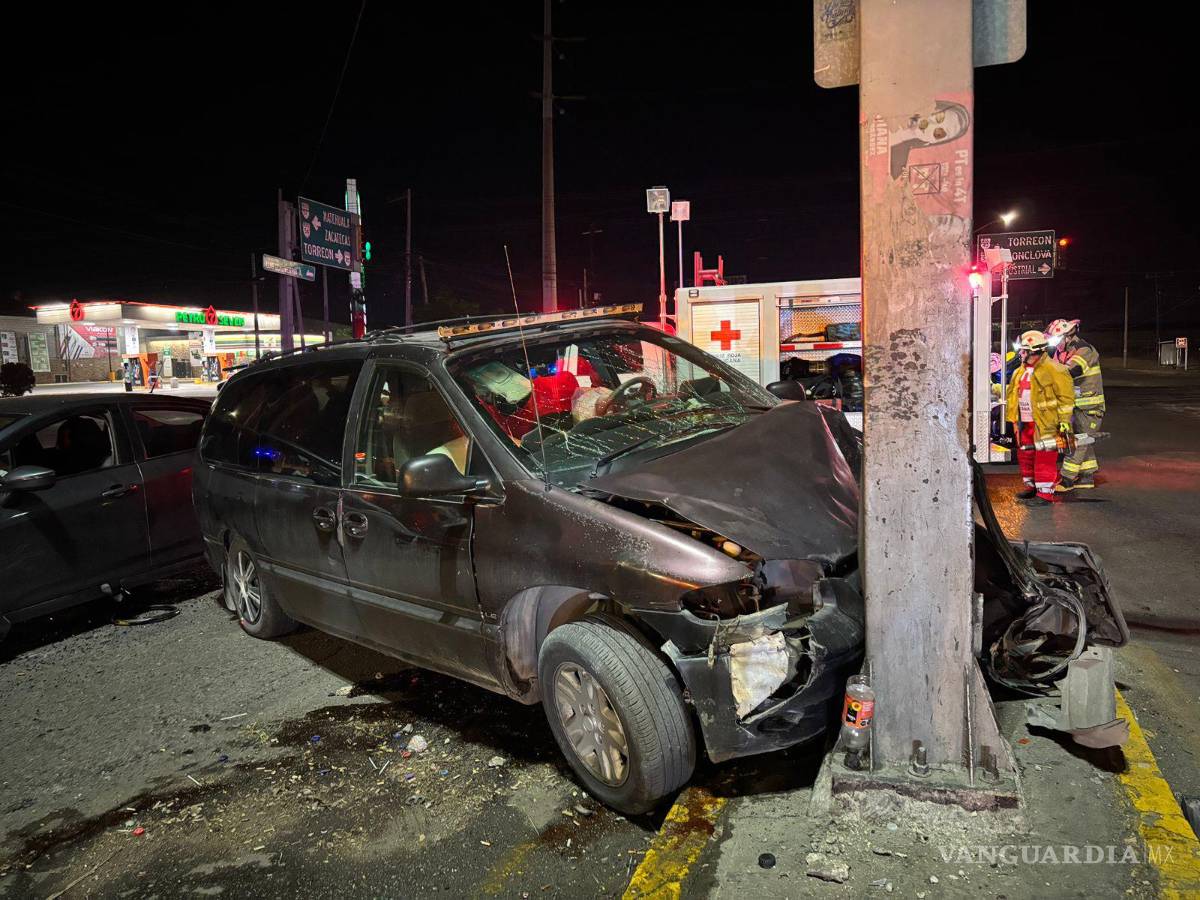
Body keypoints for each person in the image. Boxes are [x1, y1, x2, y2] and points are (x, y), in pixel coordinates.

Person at [1006, 330, 1076, 505]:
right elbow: (1012, 395)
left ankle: (1045, 494)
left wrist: (1065, 423)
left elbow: (1066, 399)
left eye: (1023, 351)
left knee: (1044, 457)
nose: (1020, 354)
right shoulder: (1019, 371)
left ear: (1034, 352)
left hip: (1046, 423)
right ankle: (1032, 488)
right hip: (1024, 423)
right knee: (1026, 455)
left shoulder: (1055, 369)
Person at [1046, 318, 1104, 491]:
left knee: (1078, 442)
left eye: (1057, 340)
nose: (1055, 344)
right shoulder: (1060, 351)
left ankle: (1067, 479)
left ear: (1067, 337)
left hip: (1090, 406)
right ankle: (1086, 477)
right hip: (1074, 404)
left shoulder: (1084, 350)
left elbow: (1072, 371)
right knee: (1081, 440)